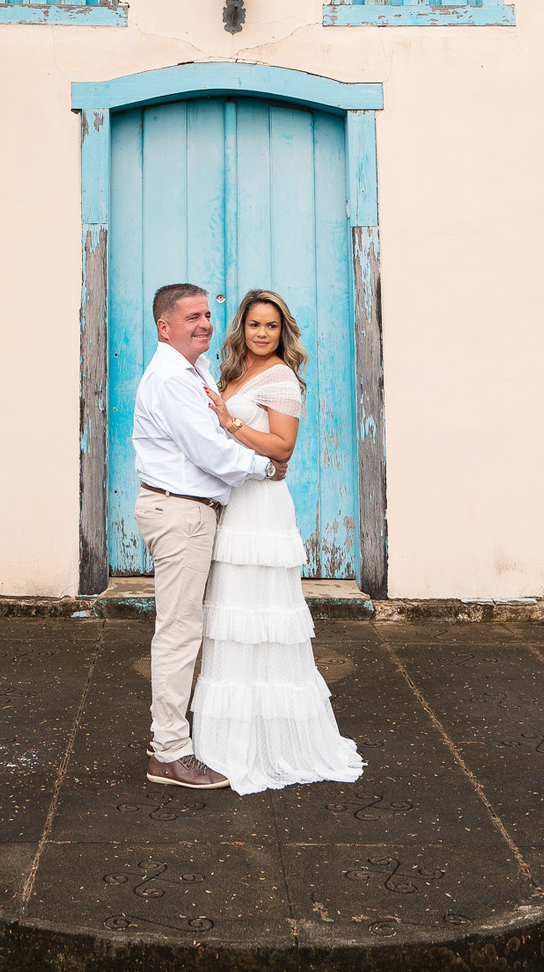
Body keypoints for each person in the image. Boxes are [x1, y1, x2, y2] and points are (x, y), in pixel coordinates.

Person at [192, 288, 364, 795]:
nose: (262, 333)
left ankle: (275, 741)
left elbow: (282, 446)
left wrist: (231, 422)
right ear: (241, 329)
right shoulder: (233, 373)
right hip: (236, 502)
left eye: (270, 326)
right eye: (253, 325)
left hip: (262, 509)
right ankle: (230, 739)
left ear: (281, 331)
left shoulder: (281, 377)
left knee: (263, 619)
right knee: (234, 618)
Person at [133, 283, 287, 790]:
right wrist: (267, 468)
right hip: (179, 513)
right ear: (164, 326)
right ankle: (170, 753)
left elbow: (219, 435)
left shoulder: (192, 370)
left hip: (192, 512)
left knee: (185, 628)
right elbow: (212, 453)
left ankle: (174, 741)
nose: (204, 324)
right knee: (179, 632)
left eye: (207, 315)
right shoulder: (173, 379)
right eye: (192, 317)